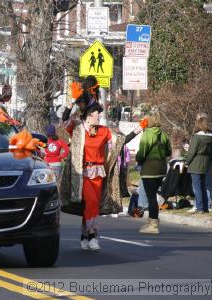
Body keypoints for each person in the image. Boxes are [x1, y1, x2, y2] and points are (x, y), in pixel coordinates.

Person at [60, 76, 142, 250]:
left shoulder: (104, 131)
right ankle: (93, 236)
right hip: (81, 174)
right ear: (88, 117)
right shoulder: (78, 128)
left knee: (92, 205)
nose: (99, 116)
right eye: (96, 114)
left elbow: (121, 141)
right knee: (90, 203)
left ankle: (84, 236)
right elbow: (64, 120)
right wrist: (72, 101)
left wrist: (139, 128)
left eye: (99, 114)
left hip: (98, 174)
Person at [136, 112, 172, 234]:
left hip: (149, 170)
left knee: (151, 197)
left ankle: (153, 225)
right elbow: (168, 152)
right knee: (153, 196)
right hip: (161, 170)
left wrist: (138, 158)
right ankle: (151, 222)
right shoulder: (164, 134)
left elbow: (141, 154)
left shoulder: (147, 134)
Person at [185, 117, 212, 214]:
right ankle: (205, 208)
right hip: (206, 163)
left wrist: (187, 162)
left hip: (196, 163)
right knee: (203, 186)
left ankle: (199, 207)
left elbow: (192, 152)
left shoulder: (196, 137)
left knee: (197, 186)